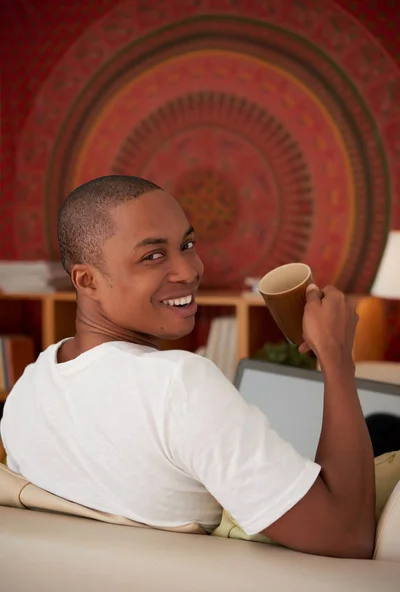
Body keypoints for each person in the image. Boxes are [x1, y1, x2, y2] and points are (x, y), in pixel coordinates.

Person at [0, 175, 376, 558]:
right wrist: (336, 359)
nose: (189, 271)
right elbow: (349, 536)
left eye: (187, 245)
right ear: (88, 280)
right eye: (153, 256)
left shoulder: (28, 389)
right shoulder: (179, 384)